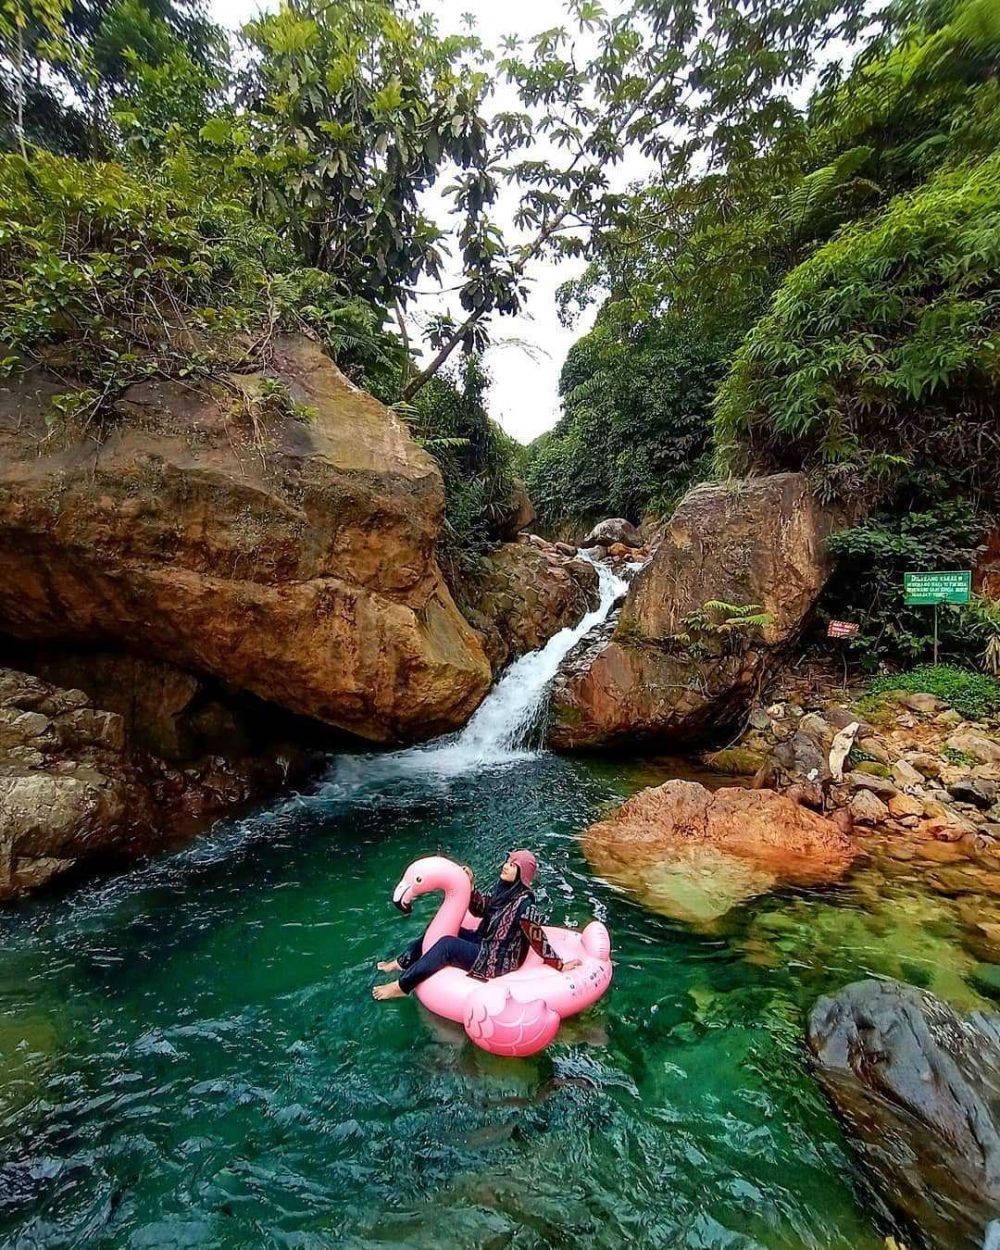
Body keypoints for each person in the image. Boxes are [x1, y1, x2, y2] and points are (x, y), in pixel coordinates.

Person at [372, 849, 579, 1001]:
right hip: (485, 941)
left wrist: (559, 964)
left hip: (496, 960)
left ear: (521, 874)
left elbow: (537, 937)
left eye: (512, 865)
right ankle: (401, 963)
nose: (505, 866)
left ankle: (402, 986)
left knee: (446, 945)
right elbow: (481, 909)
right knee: (441, 932)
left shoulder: (524, 905)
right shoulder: (505, 891)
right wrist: (469, 884)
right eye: (507, 862)